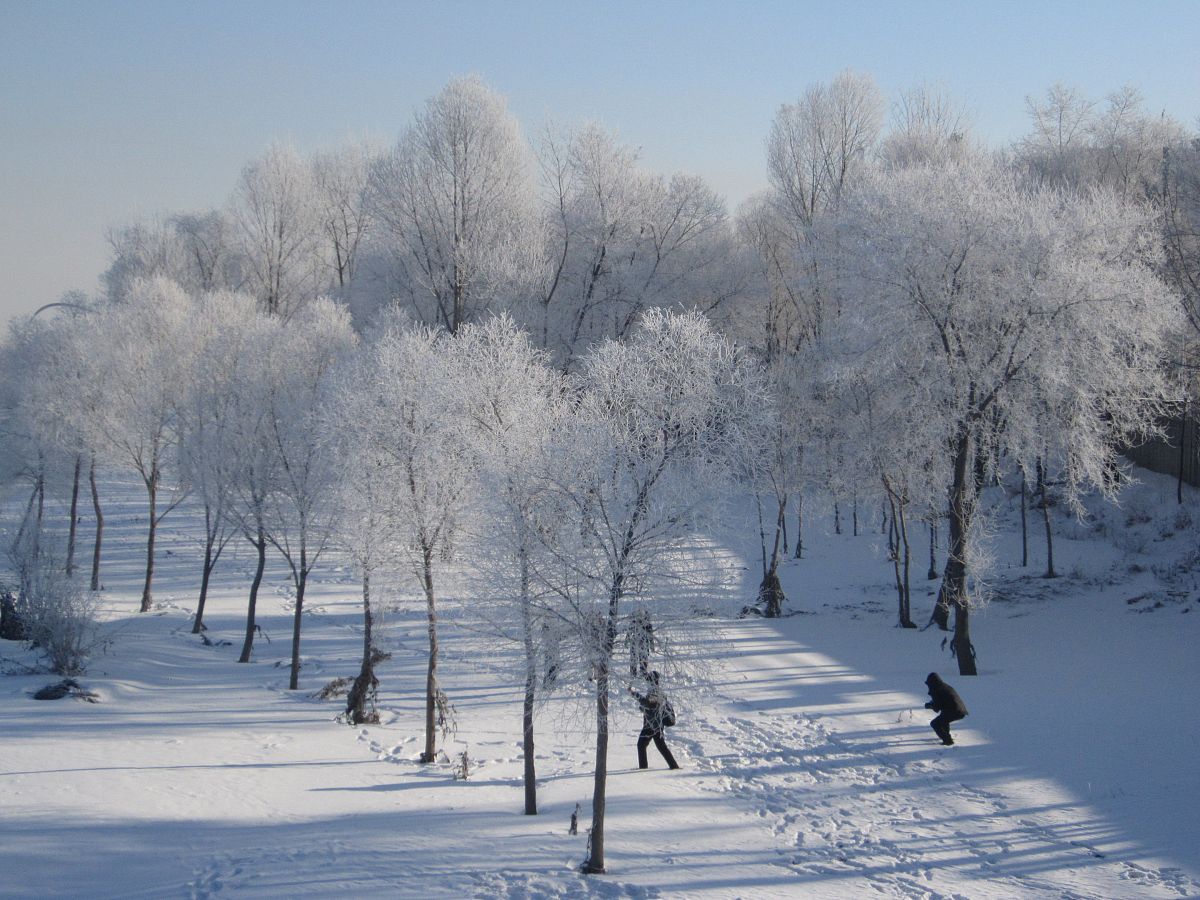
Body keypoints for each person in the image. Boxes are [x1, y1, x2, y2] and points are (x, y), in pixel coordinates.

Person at [630, 670, 679, 769]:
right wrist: (643, 708)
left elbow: (649, 703)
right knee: (660, 747)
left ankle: (643, 768)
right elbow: (651, 706)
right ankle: (674, 766)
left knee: (641, 745)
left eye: (647, 680)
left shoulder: (655, 692)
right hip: (655, 724)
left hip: (652, 725)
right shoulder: (657, 691)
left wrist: (634, 694)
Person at [924, 671, 968, 745]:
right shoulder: (944, 686)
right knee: (944, 719)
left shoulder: (936, 689)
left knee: (935, 723)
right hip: (960, 710)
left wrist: (929, 705)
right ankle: (947, 736)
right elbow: (942, 702)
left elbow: (937, 707)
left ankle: (947, 741)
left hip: (954, 711)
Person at [627, 609, 654, 677]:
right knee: (634, 658)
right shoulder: (633, 623)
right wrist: (627, 640)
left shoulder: (647, 625)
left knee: (643, 658)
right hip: (634, 643)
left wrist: (651, 645)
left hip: (644, 643)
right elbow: (629, 632)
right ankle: (633, 673)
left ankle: (643, 672)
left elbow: (650, 636)